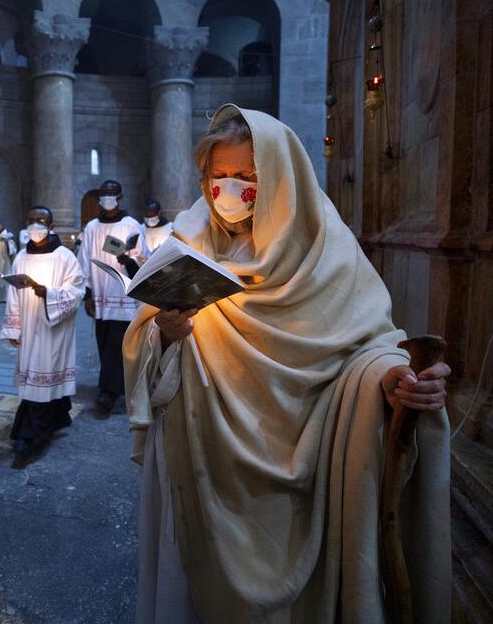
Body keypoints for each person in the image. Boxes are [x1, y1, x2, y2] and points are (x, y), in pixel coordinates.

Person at [123, 105, 453, 623]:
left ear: (281, 177)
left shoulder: (326, 251)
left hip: (302, 465)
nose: (228, 191)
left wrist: (394, 381)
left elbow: (369, 346)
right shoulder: (188, 241)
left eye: (247, 178)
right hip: (200, 454)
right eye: (218, 177)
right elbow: (148, 348)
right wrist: (165, 337)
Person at [0, 206, 84, 466]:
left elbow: (77, 289)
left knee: (45, 374)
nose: (36, 225)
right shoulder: (21, 257)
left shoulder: (64, 257)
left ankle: (29, 436)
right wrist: (14, 328)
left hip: (54, 329)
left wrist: (47, 293)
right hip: (28, 324)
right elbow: (13, 295)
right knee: (35, 378)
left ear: (51, 224)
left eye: (41, 221)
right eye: (31, 220)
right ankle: (56, 417)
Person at [77, 179, 145, 412]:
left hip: (123, 296)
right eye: (103, 194)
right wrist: (87, 294)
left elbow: (141, 257)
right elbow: (83, 261)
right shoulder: (92, 228)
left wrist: (128, 260)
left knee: (117, 344)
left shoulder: (131, 225)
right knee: (103, 341)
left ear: (119, 197)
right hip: (101, 296)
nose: (107, 198)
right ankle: (115, 385)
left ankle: (107, 392)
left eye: (111, 194)